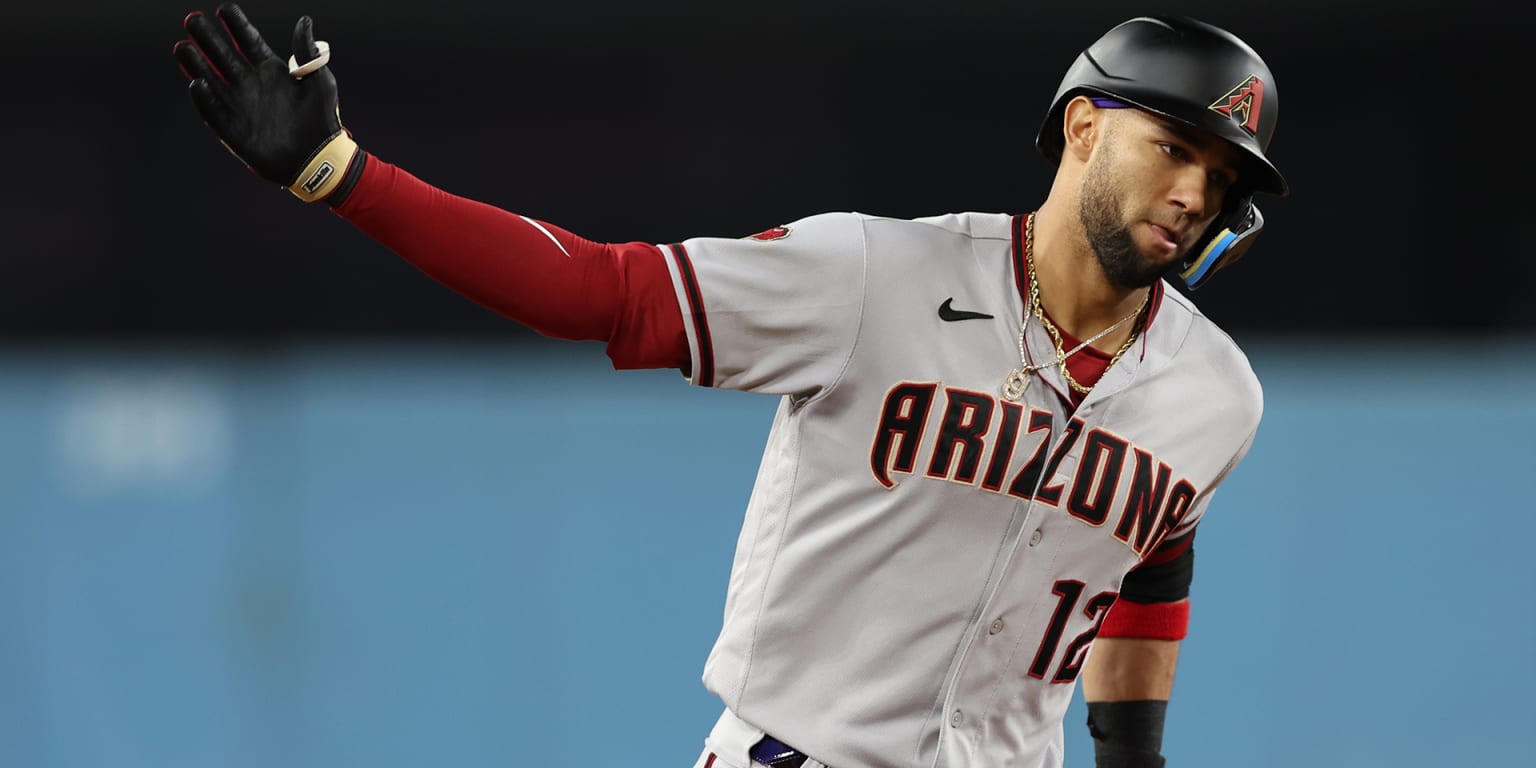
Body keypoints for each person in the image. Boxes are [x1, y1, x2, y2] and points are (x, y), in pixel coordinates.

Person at [171, 6, 1286, 767]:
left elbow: (1151, 558)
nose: (1195, 190)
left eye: (1222, 177)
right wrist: (344, 177)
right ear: (1084, 128)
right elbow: (602, 293)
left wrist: (1131, 758)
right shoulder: (873, 275)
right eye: (1174, 148)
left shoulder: (1213, 394)